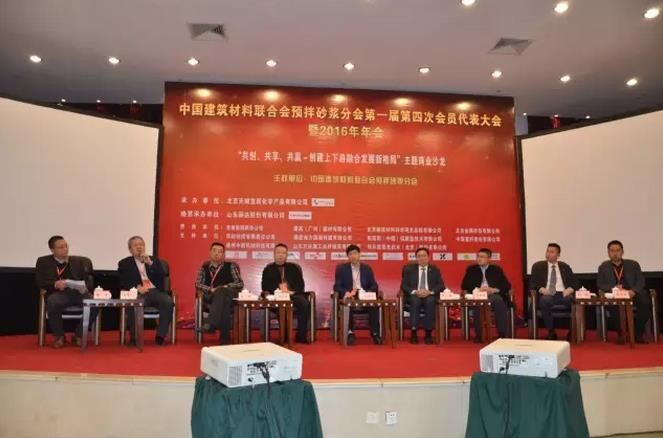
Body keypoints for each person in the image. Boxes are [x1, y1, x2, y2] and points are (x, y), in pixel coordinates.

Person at [35, 235, 97, 348]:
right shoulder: (43, 261)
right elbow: (40, 282)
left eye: (66, 246)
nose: (65, 249)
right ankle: (59, 336)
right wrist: (55, 284)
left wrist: (80, 285)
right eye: (61, 247)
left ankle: (79, 335)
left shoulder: (77, 262)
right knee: (52, 301)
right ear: (52, 250)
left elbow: (88, 282)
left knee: (94, 303)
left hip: (77, 293)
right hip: (57, 293)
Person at [118, 235, 174, 345]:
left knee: (167, 301)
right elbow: (123, 281)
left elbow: (163, 276)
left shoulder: (153, 260)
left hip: (155, 291)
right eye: (135, 245)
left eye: (141, 245)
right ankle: (135, 337)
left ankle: (160, 336)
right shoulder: (124, 263)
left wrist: (150, 263)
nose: (139, 247)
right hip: (139, 293)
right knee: (133, 303)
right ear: (130, 249)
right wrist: (137, 288)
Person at [597, 240, 651, 344]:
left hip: (631, 294)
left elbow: (641, 281)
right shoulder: (603, 267)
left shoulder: (633, 264)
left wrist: (633, 291)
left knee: (644, 301)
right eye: (612, 251)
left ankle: (637, 332)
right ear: (608, 252)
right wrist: (613, 289)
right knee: (614, 307)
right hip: (615, 295)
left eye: (618, 250)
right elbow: (600, 284)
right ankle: (621, 334)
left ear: (622, 252)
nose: (615, 253)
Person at [333, 244, 382, 345]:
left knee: (373, 305)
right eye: (350, 254)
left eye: (355, 253)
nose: (353, 256)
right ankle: (350, 332)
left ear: (359, 254)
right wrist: (346, 293)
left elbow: (374, 285)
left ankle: (375, 333)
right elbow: (337, 286)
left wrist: (368, 293)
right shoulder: (342, 269)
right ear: (348, 256)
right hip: (350, 296)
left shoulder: (366, 268)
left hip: (364, 295)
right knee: (349, 304)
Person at [195, 242, 244, 344]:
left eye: (220, 252)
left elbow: (239, 283)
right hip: (211, 296)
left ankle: (211, 324)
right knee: (224, 300)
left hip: (230, 294)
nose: (217, 253)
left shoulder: (231, 266)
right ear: (210, 253)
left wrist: (226, 286)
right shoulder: (204, 268)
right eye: (214, 251)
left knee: (222, 292)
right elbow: (198, 284)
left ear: (223, 255)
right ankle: (224, 337)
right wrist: (210, 289)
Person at [261, 243, 310, 343]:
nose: (280, 255)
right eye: (278, 252)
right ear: (274, 254)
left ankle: (301, 336)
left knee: (304, 303)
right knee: (282, 306)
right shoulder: (268, 269)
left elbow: (300, 285)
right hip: (276, 297)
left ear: (286, 255)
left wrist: (291, 292)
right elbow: (265, 286)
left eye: (283, 253)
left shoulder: (294, 268)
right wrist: (278, 291)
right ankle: (284, 336)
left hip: (292, 296)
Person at [461, 248, 511, 343]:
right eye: (478, 256)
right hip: (477, 295)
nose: (479, 259)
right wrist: (477, 289)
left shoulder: (496, 270)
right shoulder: (472, 269)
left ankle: (502, 333)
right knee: (478, 304)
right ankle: (479, 335)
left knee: (498, 300)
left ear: (489, 259)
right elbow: (464, 285)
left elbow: (506, 285)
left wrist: (493, 290)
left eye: (482, 257)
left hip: (492, 294)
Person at [530, 243, 578, 340]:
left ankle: (572, 331)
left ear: (558, 255)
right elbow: (532, 283)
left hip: (562, 294)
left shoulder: (564, 266)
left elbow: (575, 283)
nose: (548, 254)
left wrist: (570, 289)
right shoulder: (538, 266)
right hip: (547, 293)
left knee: (575, 302)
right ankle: (551, 331)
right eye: (547, 251)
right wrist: (541, 289)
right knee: (545, 300)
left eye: (552, 252)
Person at [400, 247, 444, 344]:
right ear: (416, 258)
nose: (421, 258)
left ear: (428, 257)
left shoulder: (434, 269)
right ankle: (413, 332)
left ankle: (428, 333)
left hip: (429, 294)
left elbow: (441, 285)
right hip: (415, 295)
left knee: (430, 301)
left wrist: (430, 292)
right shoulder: (409, 269)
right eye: (419, 256)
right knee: (415, 301)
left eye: (424, 256)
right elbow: (404, 285)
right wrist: (415, 291)